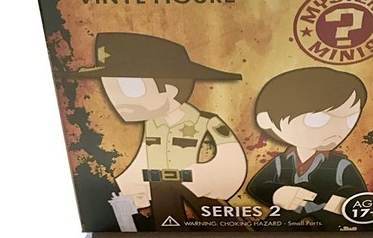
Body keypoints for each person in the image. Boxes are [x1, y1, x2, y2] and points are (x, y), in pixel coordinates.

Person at [69, 32, 246, 230]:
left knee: (222, 226)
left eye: (131, 88)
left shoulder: (207, 122)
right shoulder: (151, 124)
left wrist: (205, 179)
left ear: (170, 89)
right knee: (166, 226)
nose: (117, 100)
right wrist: (130, 189)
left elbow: (232, 160)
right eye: (110, 87)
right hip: (160, 189)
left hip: (199, 191)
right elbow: (143, 158)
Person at [247, 67, 368, 229]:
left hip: (329, 220)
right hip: (286, 217)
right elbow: (257, 186)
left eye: (349, 119)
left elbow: (357, 195)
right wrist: (277, 193)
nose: (337, 130)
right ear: (267, 120)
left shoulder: (340, 165)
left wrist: (335, 201)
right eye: (318, 119)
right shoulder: (280, 162)